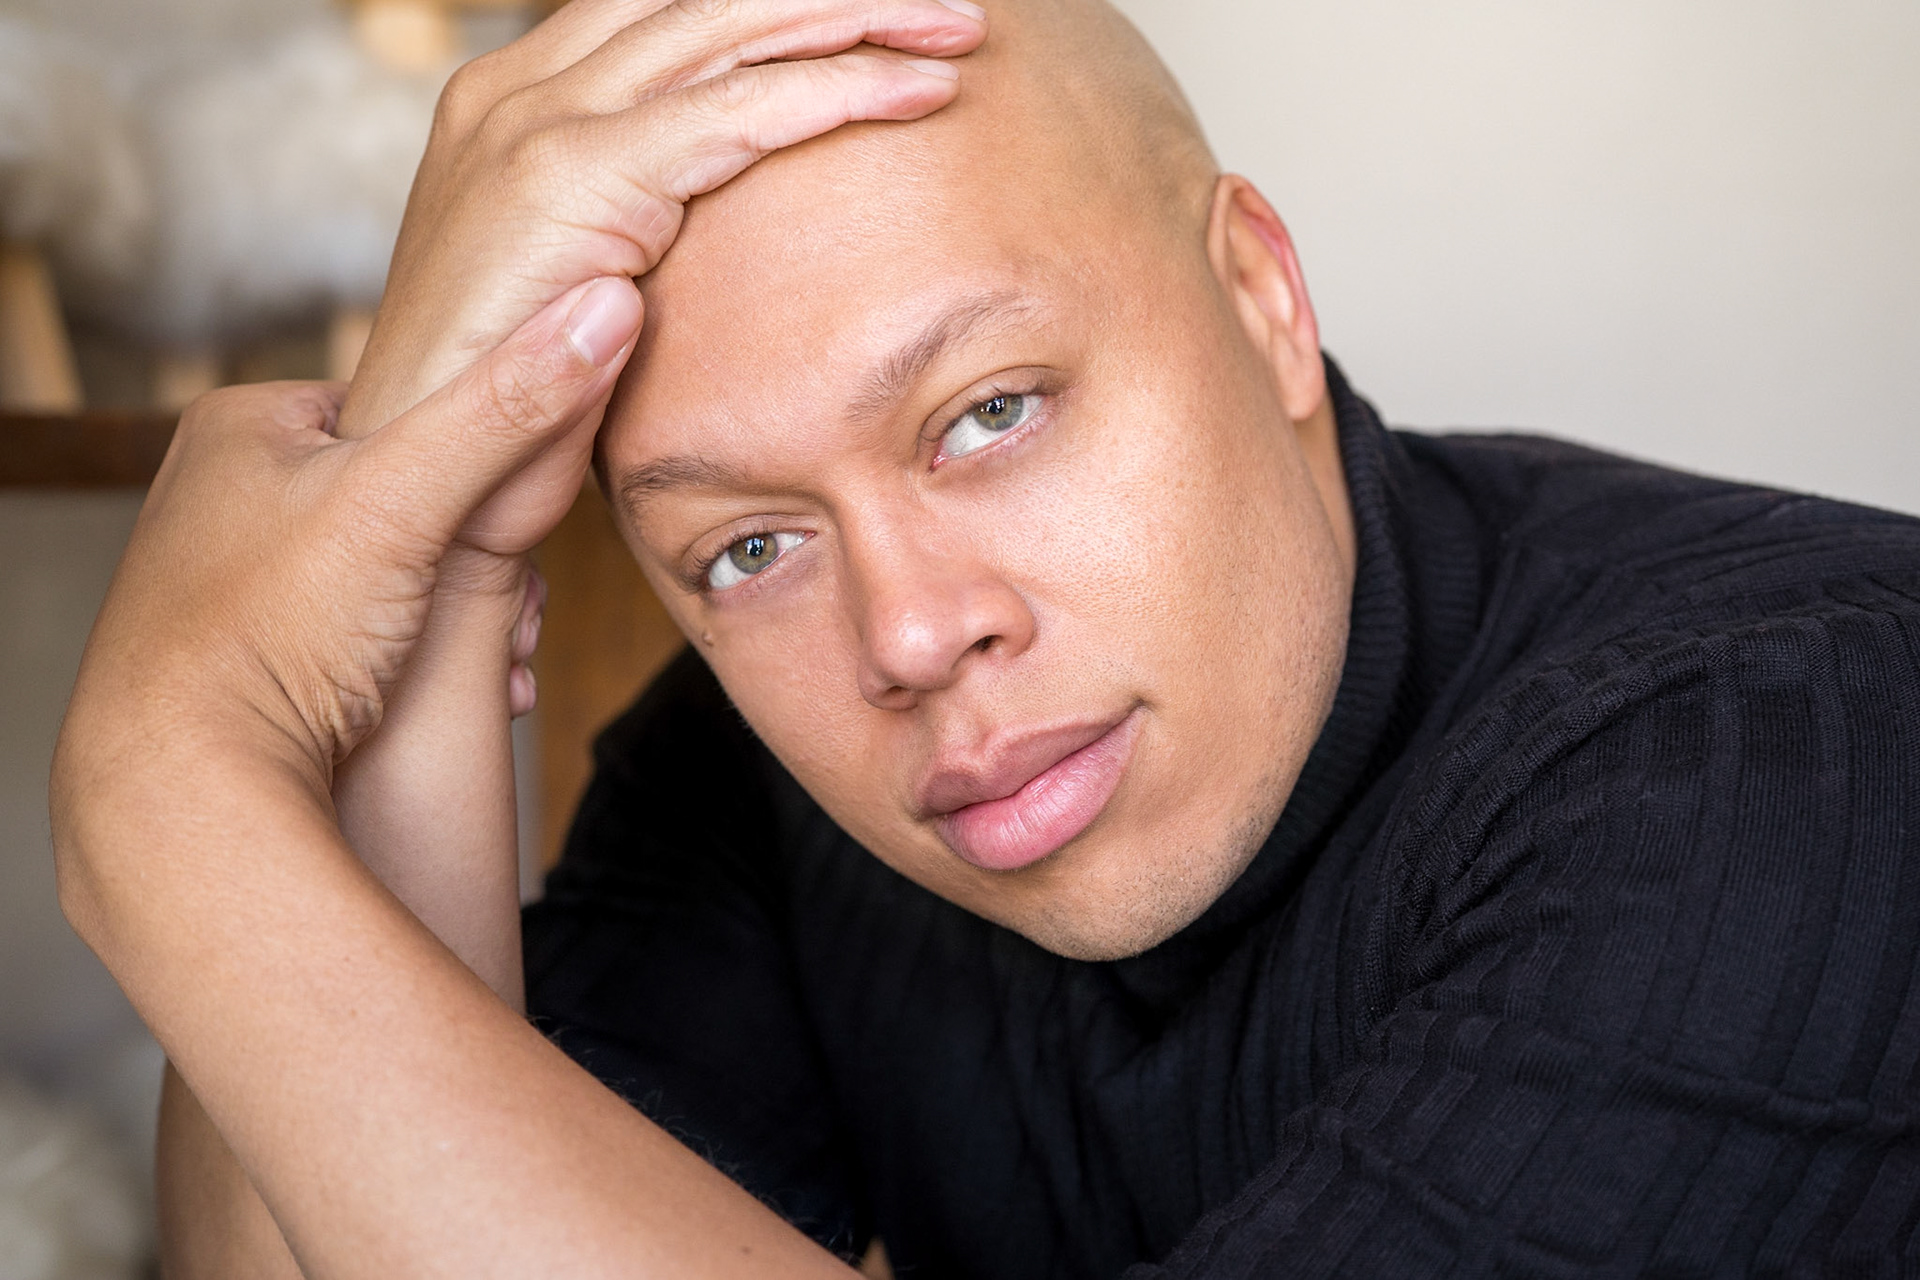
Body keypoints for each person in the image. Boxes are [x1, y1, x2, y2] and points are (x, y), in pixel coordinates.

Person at [50, 0, 1920, 1275]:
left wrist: (170, 789)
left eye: (989, 414)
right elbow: (347, 1225)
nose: (916, 633)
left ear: (1261, 294)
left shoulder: (1796, 738)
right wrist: (429, 542)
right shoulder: (751, 789)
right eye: (748, 545)